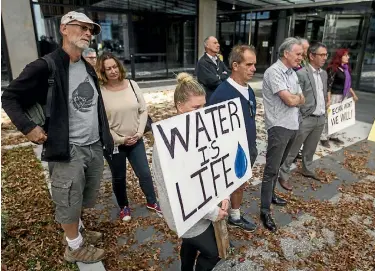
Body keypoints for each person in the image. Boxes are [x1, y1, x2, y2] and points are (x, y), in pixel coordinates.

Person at [2, 11, 113, 263]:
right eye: (82, 27)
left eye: (91, 30)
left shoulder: (86, 65)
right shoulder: (45, 65)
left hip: (92, 144)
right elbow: (9, 97)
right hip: (67, 148)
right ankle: (73, 247)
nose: (88, 33)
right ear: (64, 29)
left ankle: (79, 233)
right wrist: (28, 127)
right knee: (68, 198)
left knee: (82, 196)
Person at [152, 72, 230, 271]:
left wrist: (225, 194)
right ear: (179, 106)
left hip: (205, 207)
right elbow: (182, 190)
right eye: (196, 108)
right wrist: (214, 212)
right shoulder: (168, 143)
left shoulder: (201, 128)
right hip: (186, 215)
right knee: (212, 253)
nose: (202, 112)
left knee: (190, 245)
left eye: (204, 106)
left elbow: (216, 164)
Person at [96, 53, 161, 222]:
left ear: (119, 67)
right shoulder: (100, 92)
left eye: (114, 67)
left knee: (145, 173)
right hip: (116, 143)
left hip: (136, 139)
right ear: (103, 71)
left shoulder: (132, 84)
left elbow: (143, 110)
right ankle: (124, 206)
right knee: (119, 177)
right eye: (108, 68)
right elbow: (101, 122)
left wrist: (139, 133)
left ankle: (152, 201)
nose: (112, 71)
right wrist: (120, 139)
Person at [208, 45, 258, 232]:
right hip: (230, 151)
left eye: (254, 64)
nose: (254, 69)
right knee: (226, 187)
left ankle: (235, 216)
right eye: (249, 64)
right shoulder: (222, 94)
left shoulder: (248, 89)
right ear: (235, 65)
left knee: (240, 183)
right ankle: (219, 223)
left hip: (248, 148)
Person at [260, 37, 305, 232]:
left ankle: (271, 196)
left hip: (292, 125)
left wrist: (295, 98)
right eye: (298, 54)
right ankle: (264, 211)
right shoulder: (274, 72)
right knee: (271, 170)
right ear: (286, 53)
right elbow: (289, 100)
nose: (301, 58)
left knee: (278, 166)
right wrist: (294, 98)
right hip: (279, 127)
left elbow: (301, 98)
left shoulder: (292, 74)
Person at [279, 42, 329, 187]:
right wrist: (299, 116)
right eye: (322, 55)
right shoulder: (301, 73)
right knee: (293, 150)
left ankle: (307, 168)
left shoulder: (324, 74)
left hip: (320, 118)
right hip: (305, 118)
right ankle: (283, 174)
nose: (325, 58)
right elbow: (294, 96)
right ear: (312, 56)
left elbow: (322, 93)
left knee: (310, 148)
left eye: (326, 55)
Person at [320, 48, 359, 148]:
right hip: (334, 95)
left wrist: (353, 95)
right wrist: (328, 100)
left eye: (348, 55)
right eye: (345, 55)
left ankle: (332, 135)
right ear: (339, 57)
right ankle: (323, 137)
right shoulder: (333, 69)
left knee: (338, 117)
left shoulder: (346, 68)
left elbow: (348, 85)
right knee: (329, 117)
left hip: (343, 96)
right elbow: (329, 85)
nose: (348, 57)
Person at [195, 36, 230, 103]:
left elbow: (229, 74)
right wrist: (222, 76)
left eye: (218, 43)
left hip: (222, 98)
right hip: (209, 100)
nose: (218, 45)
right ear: (207, 46)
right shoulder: (202, 62)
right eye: (215, 43)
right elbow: (211, 81)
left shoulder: (219, 60)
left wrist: (218, 77)